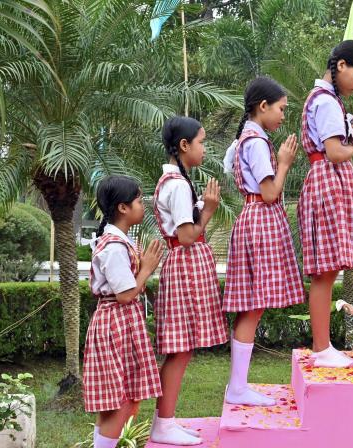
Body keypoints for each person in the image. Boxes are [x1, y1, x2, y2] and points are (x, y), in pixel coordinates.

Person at [223, 77, 305, 406]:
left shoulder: (246, 137)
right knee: (253, 305)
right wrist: (284, 163)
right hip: (260, 218)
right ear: (263, 106)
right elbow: (270, 192)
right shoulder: (256, 142)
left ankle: (238, 385)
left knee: (252, 306)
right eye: (281, 109)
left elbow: (231, 167)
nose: (284, 116)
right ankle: (238, 386)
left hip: (252, 217)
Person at [297, 40, 353, 368]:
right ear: (341, 65)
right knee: (325, 272)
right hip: (328, 183)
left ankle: (323, 347)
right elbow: (334, 152)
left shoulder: (325, 100)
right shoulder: (327, 103)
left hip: (326, 182)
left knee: (326, 272)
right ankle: (321, 348)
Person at [151, 116, 229, 445]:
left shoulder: (172, 181)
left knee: (181, 349)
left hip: (181, 264)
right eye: (201, 142)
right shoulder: (179, 185)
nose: (204, 148)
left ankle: (166, 421)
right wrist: (209, 210)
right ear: (184, 146)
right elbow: (186, 236)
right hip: (184, 263)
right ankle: (163, 423)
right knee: (180, 349)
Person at [83, 175, 163, 448]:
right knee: (119, 401)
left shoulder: (118, 242)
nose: (144, 206)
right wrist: (147, 269)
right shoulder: (115, 246)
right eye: (139, 201)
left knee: (119, 400)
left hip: (119, 322)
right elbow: (126, 294)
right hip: (116, 323)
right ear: (122, 208)